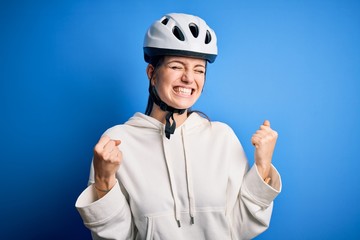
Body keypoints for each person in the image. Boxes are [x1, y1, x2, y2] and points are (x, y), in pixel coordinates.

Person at [75, 13, 282, 240]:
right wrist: (104, 182)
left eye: (199, 70)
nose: (189, 78)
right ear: (152, 74)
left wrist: (262, 167)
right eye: (176, 66)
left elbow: (240, 229)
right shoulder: (117, 142)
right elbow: (117, 236)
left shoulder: (222, 138)